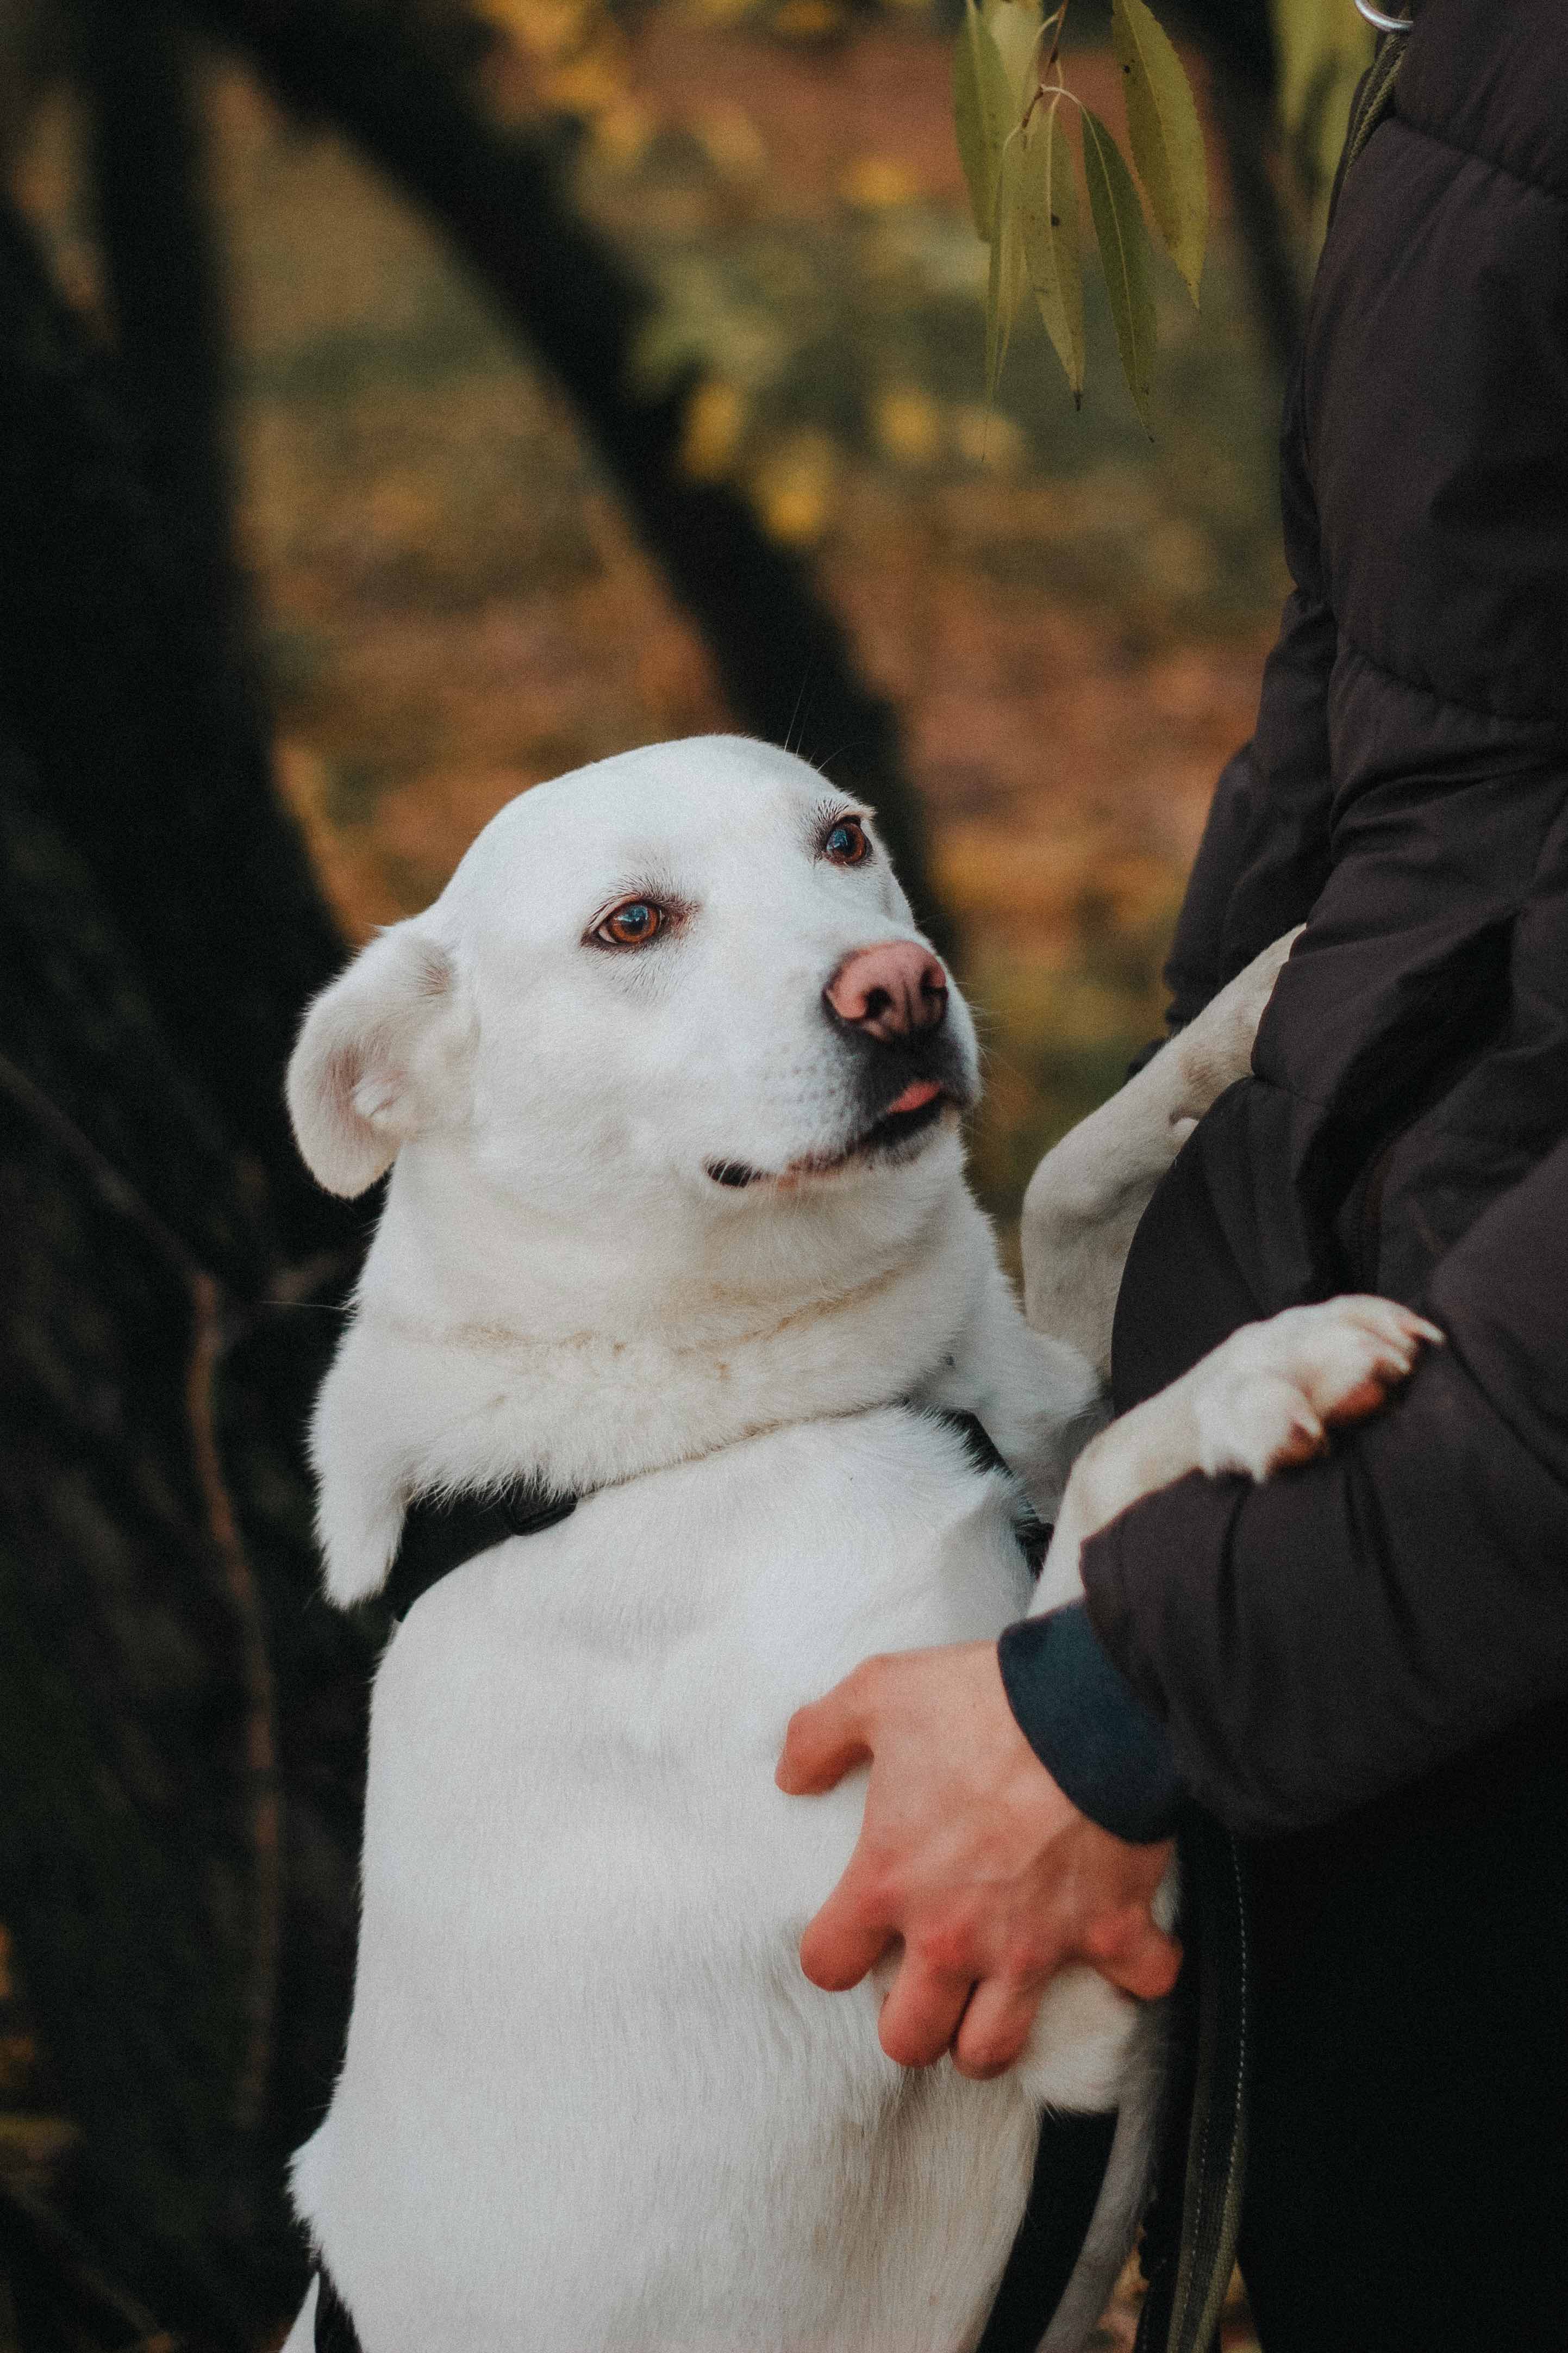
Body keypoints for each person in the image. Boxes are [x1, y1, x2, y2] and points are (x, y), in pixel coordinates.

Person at [776, 1, 1568, 2344]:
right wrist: (1185, 1361)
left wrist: (1134, 1695)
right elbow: (1386, 724)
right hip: (1393, 1598)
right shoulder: (1479, 74)